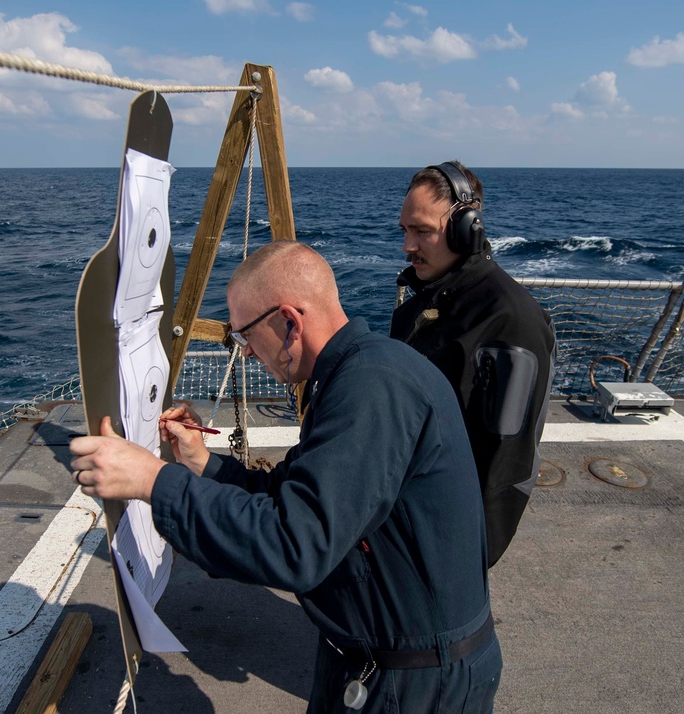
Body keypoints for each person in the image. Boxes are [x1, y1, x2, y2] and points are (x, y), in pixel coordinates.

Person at [71, 241, 501, 713]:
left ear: (289, 323)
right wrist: (201, 463)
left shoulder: (371, 390)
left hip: (412, 685)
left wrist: (152, 480)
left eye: (244, 337)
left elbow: (294, 543)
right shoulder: (357, 373)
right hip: (383, 661)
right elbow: (292, 496)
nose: (248, 354)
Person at [390, 161, 556, 567]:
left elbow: (504, 461)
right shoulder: (423, 303)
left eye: (422, 231)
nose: (408, 246)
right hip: (402, 512)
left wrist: (465, 556)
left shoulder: (510, 320)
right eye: (405, 231)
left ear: (468, 228)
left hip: (442, 539)